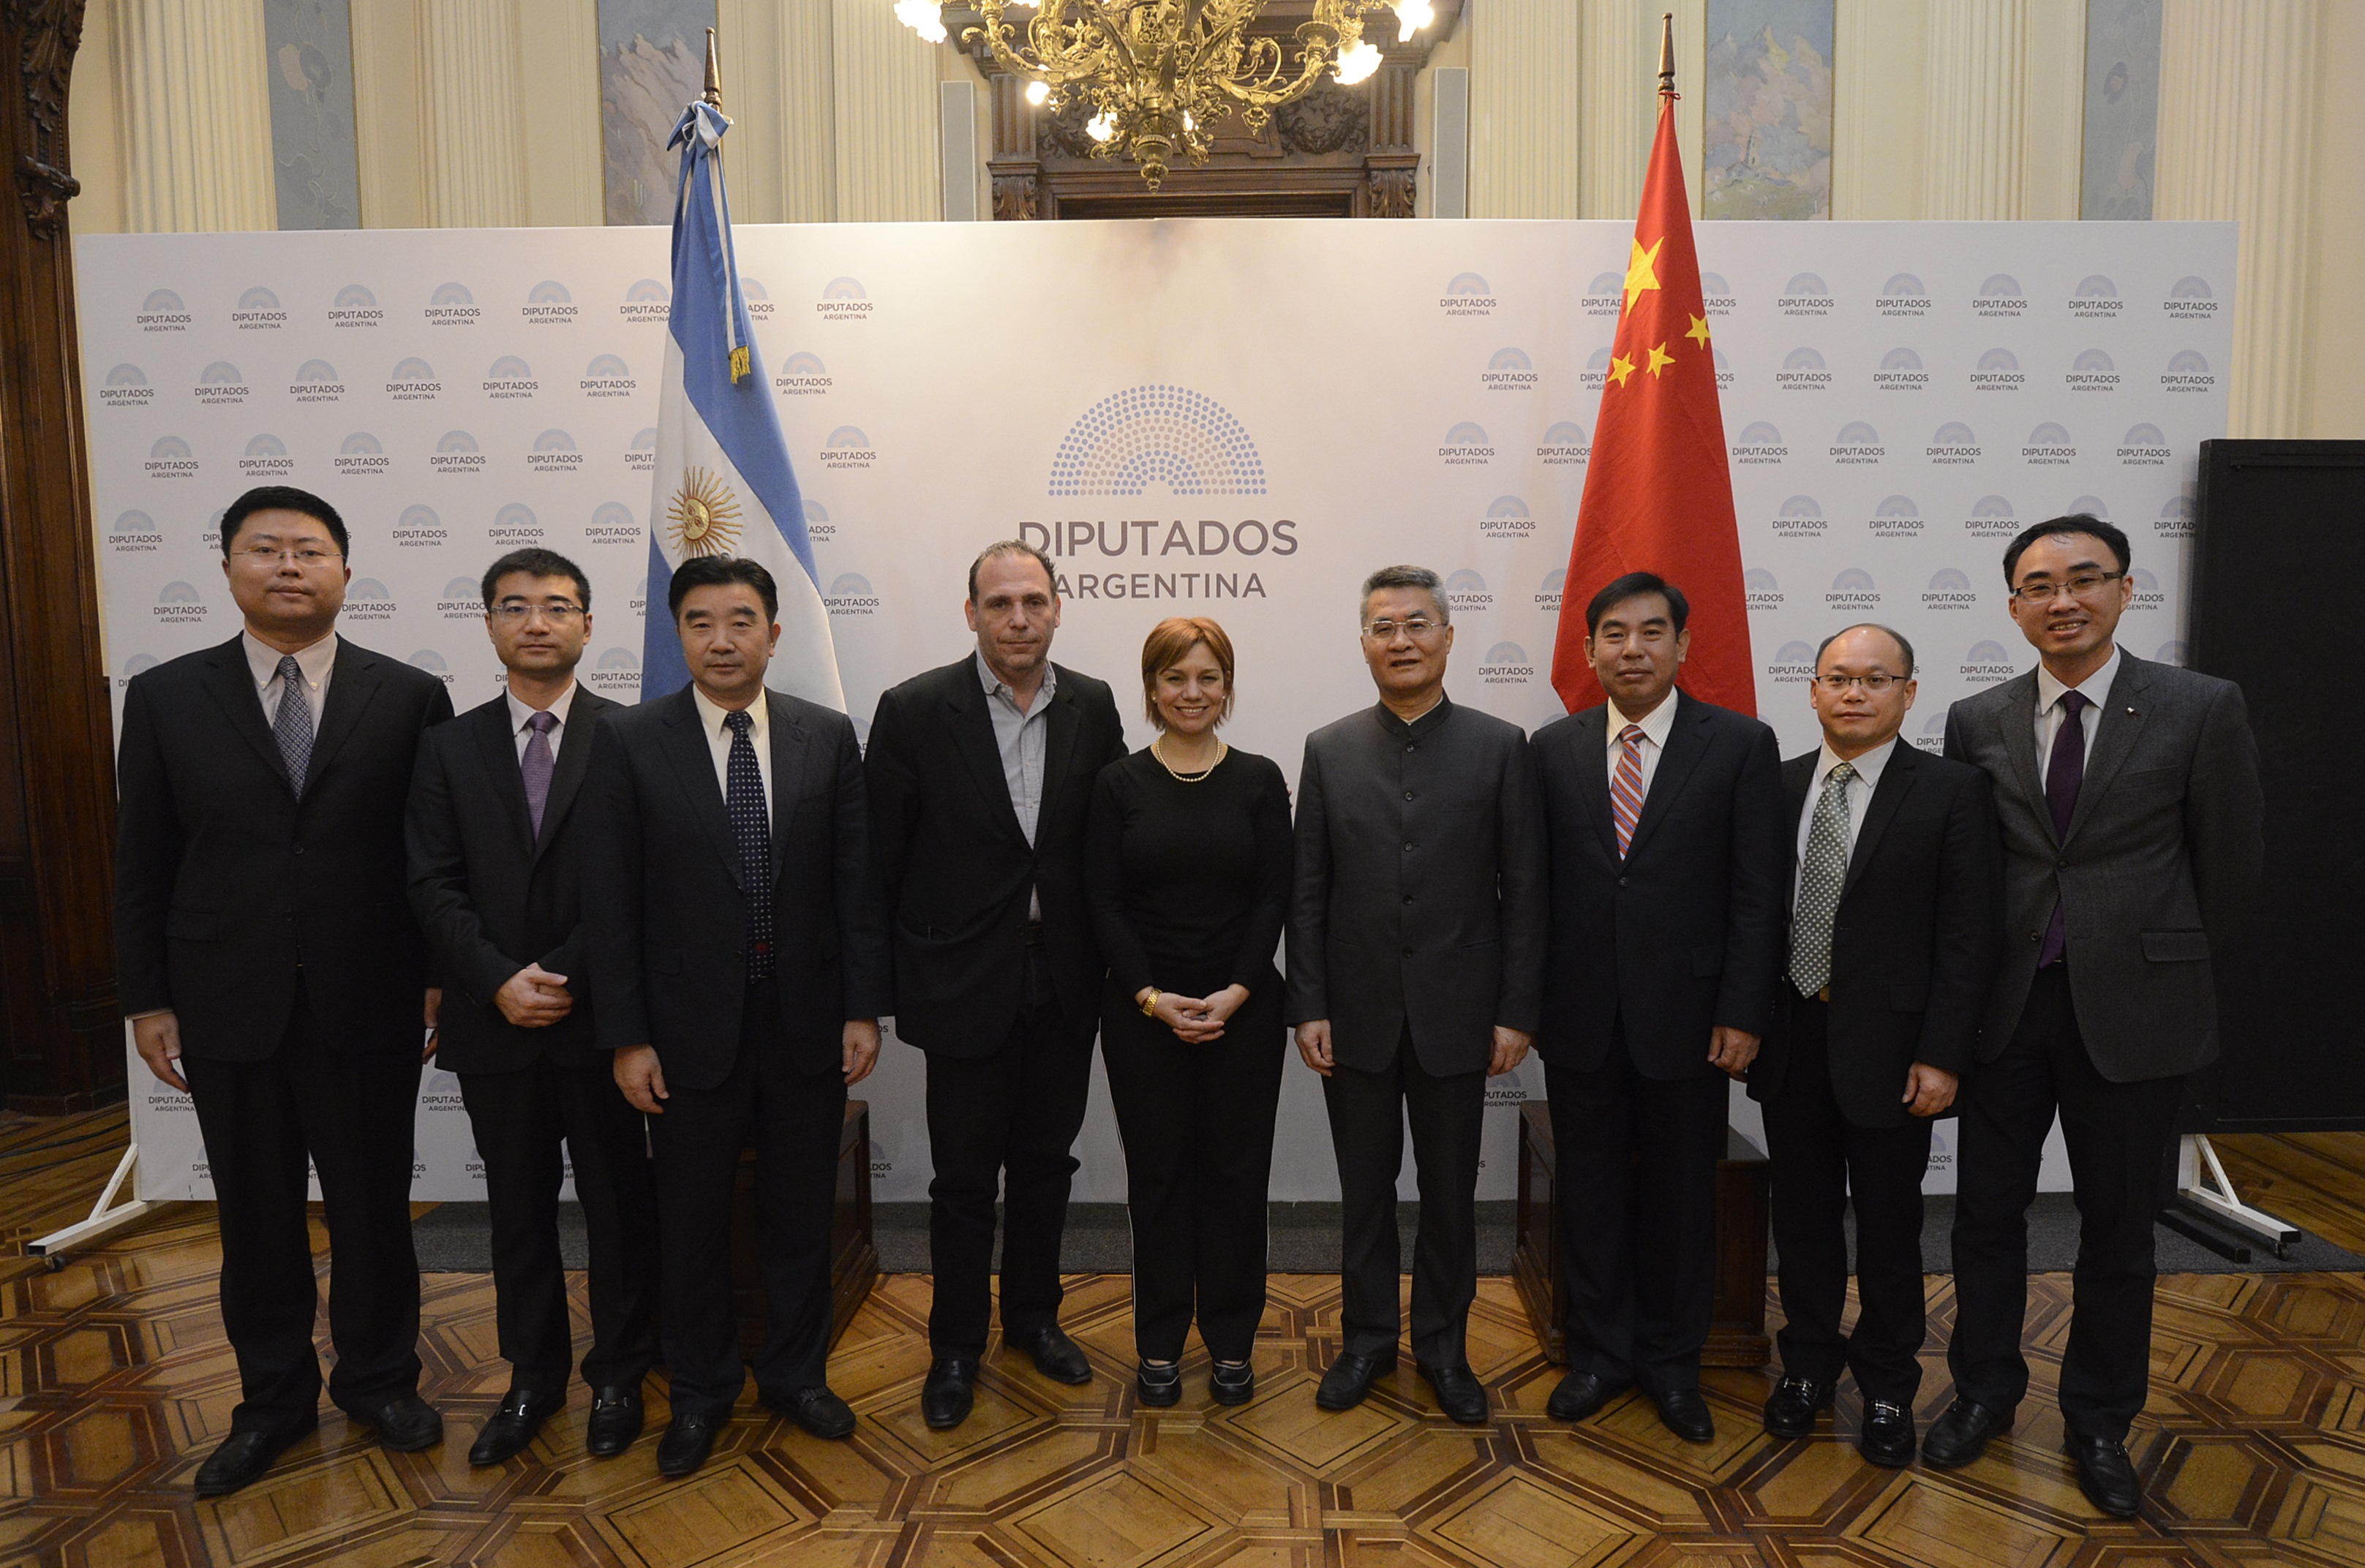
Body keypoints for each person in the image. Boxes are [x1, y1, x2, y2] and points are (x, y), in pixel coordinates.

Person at [114, 485, 454, 1496]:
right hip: (226, 999)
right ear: (228, 569)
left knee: (372, 1208)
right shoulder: (169, 695)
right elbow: (143, 861)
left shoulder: (408, 695)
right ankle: (271, 1403)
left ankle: (381, 1378)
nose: (289, 567)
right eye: (265, 550)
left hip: (371, 995)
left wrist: (439, 971)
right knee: (255, 1217)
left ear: (347, 572)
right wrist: (148, 996)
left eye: (311, 550)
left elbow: (431, 856)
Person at [1930, 516, 2263, 1515]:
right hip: (2006, 1012)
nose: (2061, 600)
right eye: (2037, 586)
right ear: (2013, 607)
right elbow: (1969, 871)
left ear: (2123, 591)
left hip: (2136, 1012)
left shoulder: (2199, 706)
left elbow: (2230, 866)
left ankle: (2099, 1419)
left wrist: (2154, 956)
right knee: (1984, 1217)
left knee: (2118, 1228)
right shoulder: (1975, 717)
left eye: (2083, 580)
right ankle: (1985, 1390)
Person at [584, 555, 889, 1477]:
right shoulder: (632, 740)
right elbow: (611, 900)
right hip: (682, 1037)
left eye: (742, 620)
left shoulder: (825, 735)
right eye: (702, 622)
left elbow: (854, 884)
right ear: (678, 633)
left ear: (773, 631)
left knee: (800, 1216)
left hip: (803, 1027)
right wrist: (627, 1034)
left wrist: (861, 1009)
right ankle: (704, 1390)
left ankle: (796, 1375)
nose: (723, 639)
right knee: (692, 1222)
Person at [865, 540, 1127, 1429]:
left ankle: (1033, 1320)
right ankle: (953, 1345)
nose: (1018, 618)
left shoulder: (1091, 703)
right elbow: (881, 862)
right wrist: (878, 988)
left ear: (1056, 609)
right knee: (963, 1179)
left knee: (1047, 1165)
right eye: (999, 602)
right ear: (970, 612)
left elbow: (1109, 844)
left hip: (1064, 980)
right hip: (961, 980)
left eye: (1033, 601)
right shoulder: (911, 710)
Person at [406, 548, 657, 1466]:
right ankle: (531, 1377)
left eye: (558, 606)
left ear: (589, 626)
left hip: (601, 1022)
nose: (538, 621)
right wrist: (497, 978)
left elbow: (640, 880)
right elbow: (430, 882)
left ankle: (622, 1370)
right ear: (490, 625)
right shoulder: (445, 746)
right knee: (515, 1209)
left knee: (619, 1206)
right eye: (517, 606)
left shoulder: (636, 736)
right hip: (493, 1020)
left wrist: (566, 974)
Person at [1530, 571, 1786, 1444]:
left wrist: (1743, 1008)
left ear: (1681, 645)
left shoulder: (1739, 744)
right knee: (1591, 1192)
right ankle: (1599, 1353)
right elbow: (1533, 893)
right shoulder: (1551, 746)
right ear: (1590, 648)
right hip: (1579, 1015)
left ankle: (1673, 1363)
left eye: (1648, 632)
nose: (1629, 649)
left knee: (1684, 1198)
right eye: (1611, 633)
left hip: (1690, 1016)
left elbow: (1758, 893)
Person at [1287, 565, 1546, 1426]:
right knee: (1363, 1190)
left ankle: (1441, 1344)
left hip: (1460, 1016)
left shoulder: (1499, 744)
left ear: (1445, 635)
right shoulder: (1327, 748)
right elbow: (1308, 892)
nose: (1399, 640)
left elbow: (1524, 891)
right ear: (1361, 641)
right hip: (1352, 1016)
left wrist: (1514, 1010)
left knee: (1447, 1193)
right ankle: (1365, 1340)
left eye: (1415, 624)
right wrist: (1307, 1003)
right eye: (1381, 627)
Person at [1749, 625, 1999, 1466]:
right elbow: (1749, 918)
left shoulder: (1952, 791)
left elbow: (1967, 939)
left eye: (1874, 679)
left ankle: (1888, 1382)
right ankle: (1808, 1368)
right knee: (1805, 1218)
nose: (1853, 694)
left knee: (1890, 1227)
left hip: (1896, 1052)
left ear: (1908, 691)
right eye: (1837, 678)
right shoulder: (1774, 786)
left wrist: (1943, 1052)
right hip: (1790, 1040)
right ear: (1812, 690)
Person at [1086, 617, 1293, 1409]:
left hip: (1243, 1009)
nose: (1191, 693)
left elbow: (1273, 894)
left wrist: (1238, 991)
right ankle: (1160, 1341)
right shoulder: (1116, 784)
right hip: (1143, 1014)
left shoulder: (1258, 777)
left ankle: (1233, 1340)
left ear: (1227, 685)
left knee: (1237, 1178)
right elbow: (1102, 901)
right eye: (1174, 678)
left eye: (1207, 677)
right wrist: (1150, 997)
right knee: (1160, 1178)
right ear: (1150, 688)